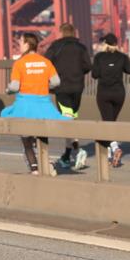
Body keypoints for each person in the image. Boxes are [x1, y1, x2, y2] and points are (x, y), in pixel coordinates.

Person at [1, 33, 69, 175]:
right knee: (41, 135)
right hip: (43, 103)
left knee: (26, 138)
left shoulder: (20, 63)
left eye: (20, 41)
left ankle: (35, 168)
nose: (19, 45)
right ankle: (46, 162)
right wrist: (44, 86)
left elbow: (14, 86)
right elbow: (56, 82)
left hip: (25, 105)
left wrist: (8, 90)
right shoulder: (45, 62)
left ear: (27, 44)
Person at [45, 23, 92, 171]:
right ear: (74, 33)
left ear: (61, 33)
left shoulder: (56, 47)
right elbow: (88, 66)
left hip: (62, 88)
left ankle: (78, 151)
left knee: (67, 120)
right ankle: (66, 156)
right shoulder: (81, 47)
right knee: (71, 118)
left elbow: (46, 63)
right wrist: (76, 72)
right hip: (78, 88)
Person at [90, 33, 130, 167]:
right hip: (119, 93)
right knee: (111, 121)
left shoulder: (99, 57)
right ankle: (110, 156)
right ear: (116, 44)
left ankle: (114, 148)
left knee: (107, 122)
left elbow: (94, 75)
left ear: (105, 44)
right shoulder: (122, 57)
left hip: (104, 93)